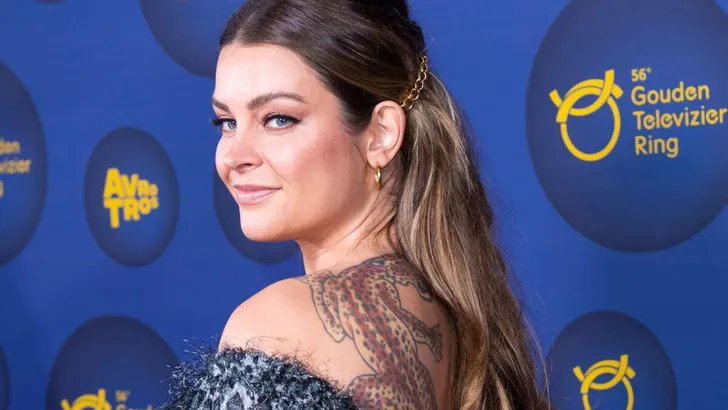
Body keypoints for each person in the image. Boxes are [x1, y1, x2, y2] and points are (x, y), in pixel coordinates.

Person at [162, 0, 549, 409]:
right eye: (227, 122)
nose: (233, 156)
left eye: (279, 119)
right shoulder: (448, 307)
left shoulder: (278, 327)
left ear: (381, 134)